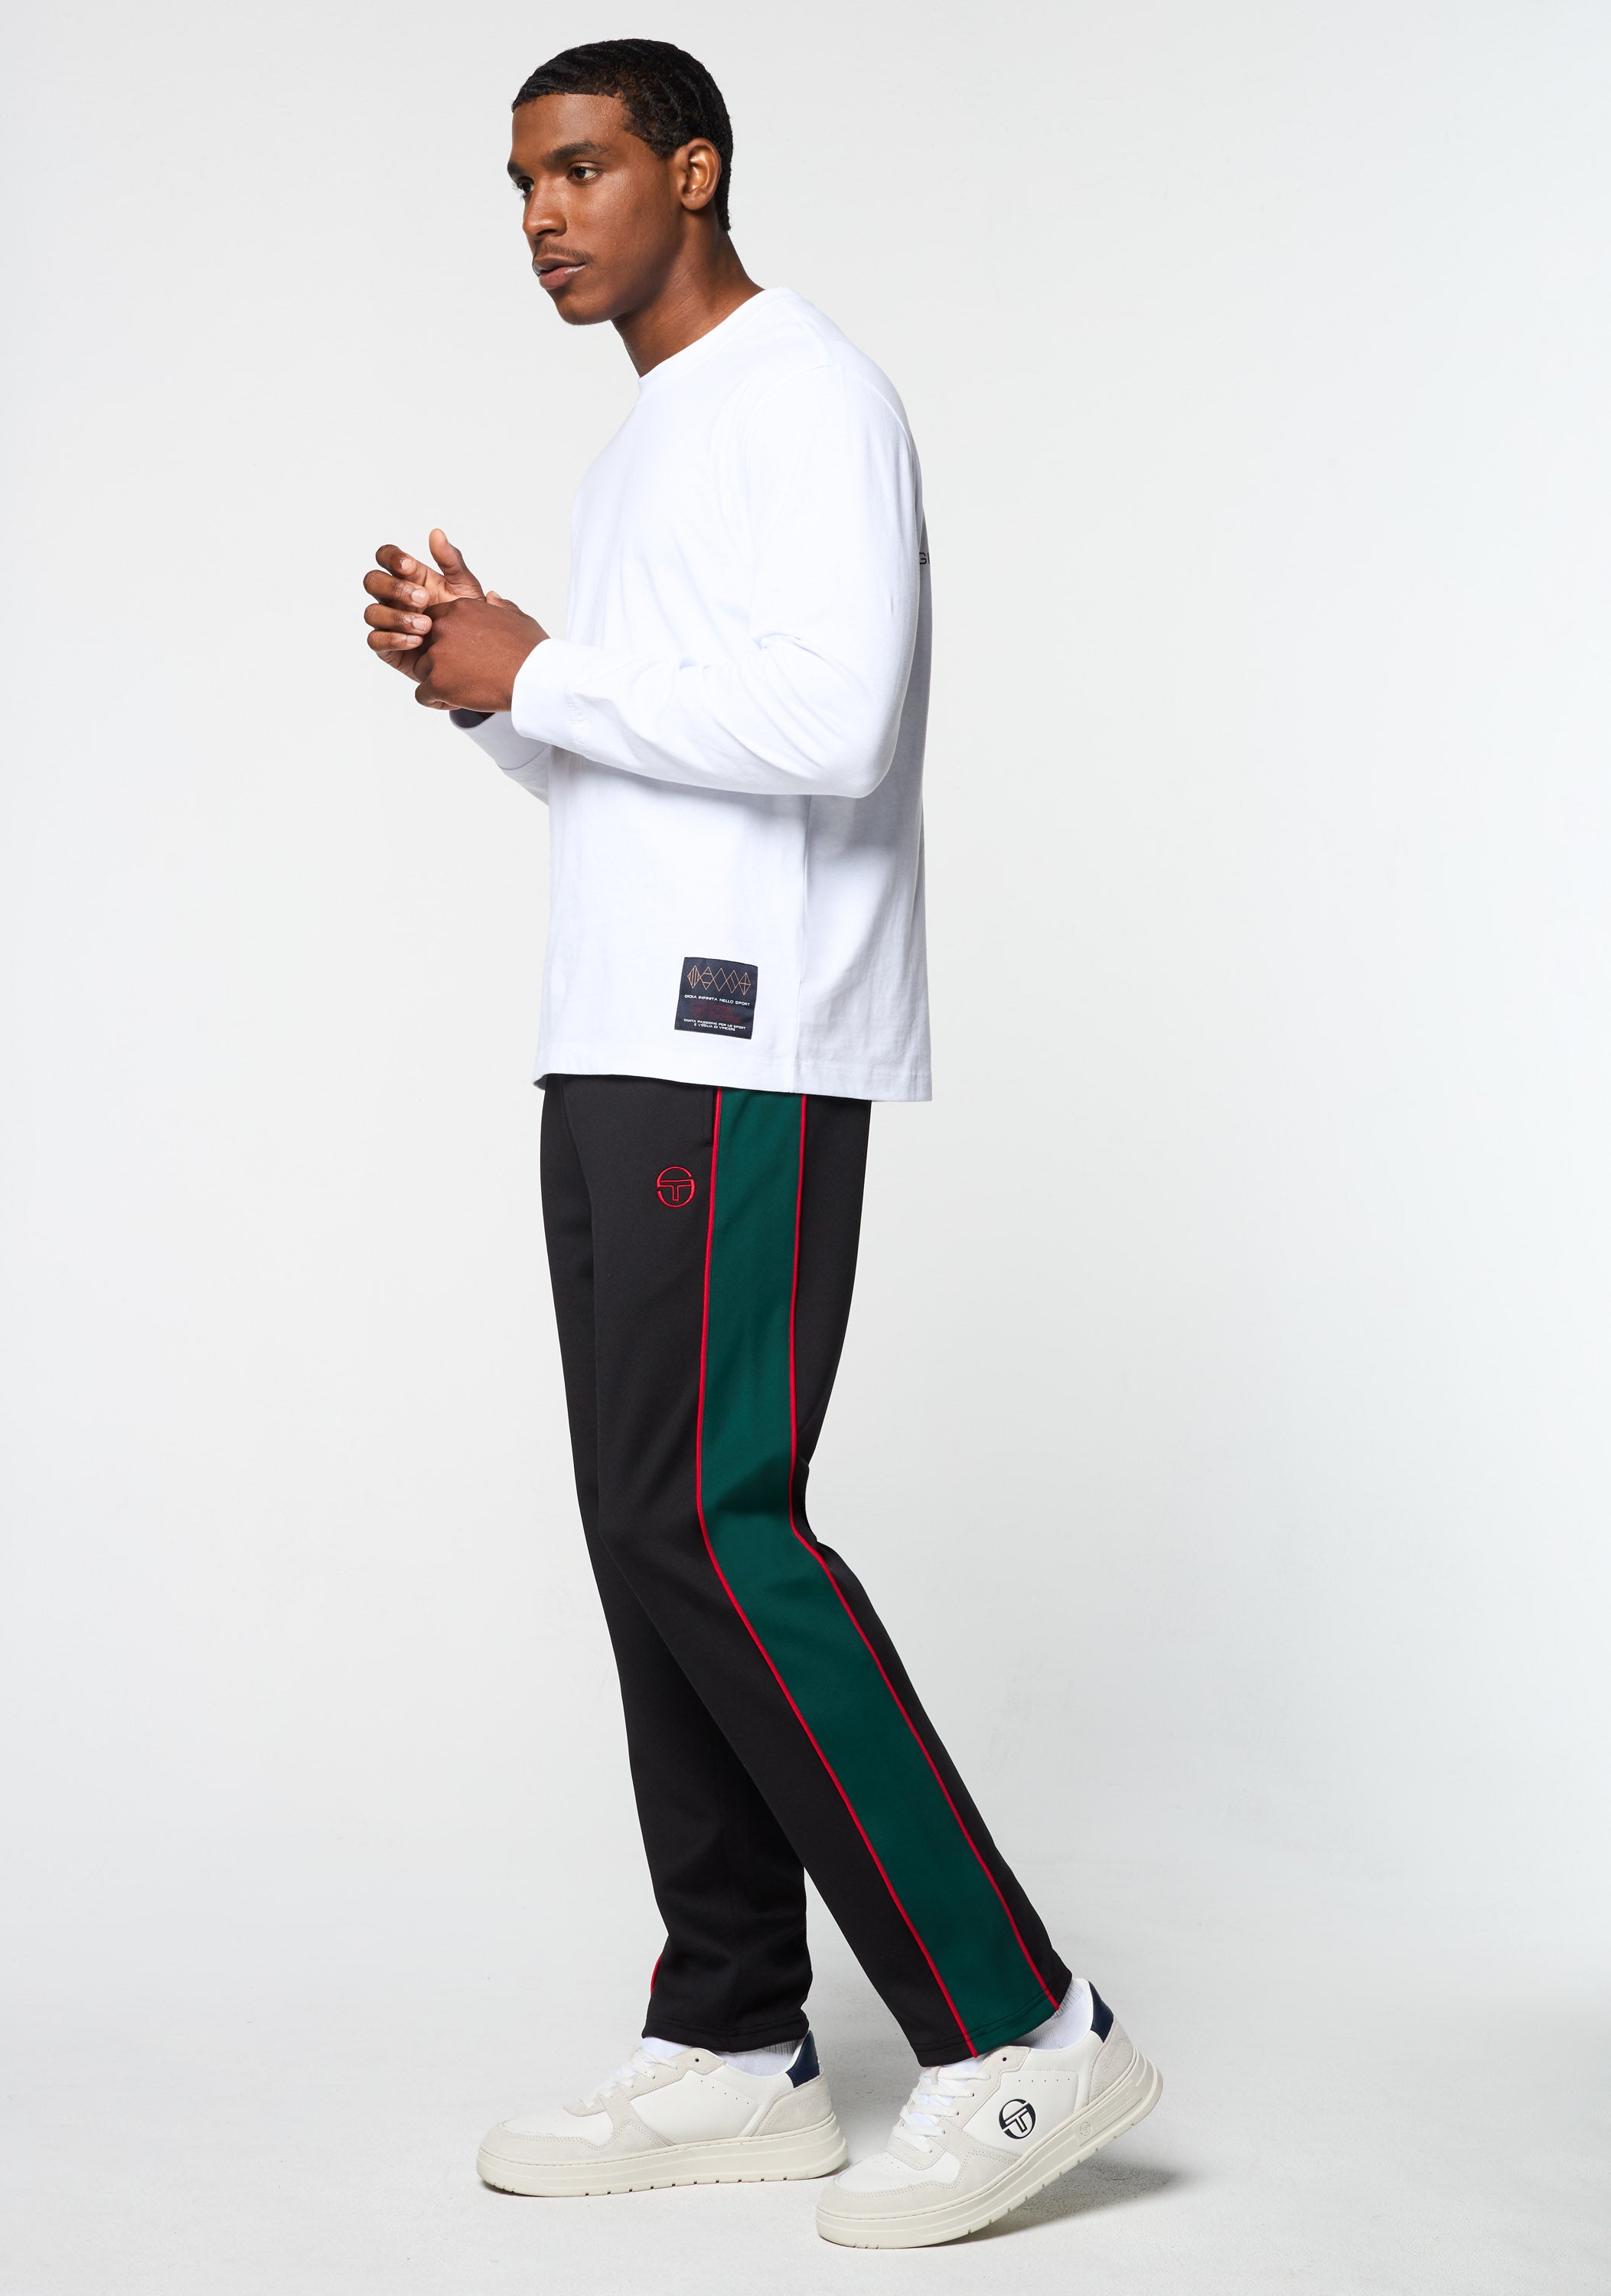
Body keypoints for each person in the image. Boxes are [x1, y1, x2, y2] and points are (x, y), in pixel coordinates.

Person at [359, 38, 1160, 2251]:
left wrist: (545, 667)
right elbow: (647, 755)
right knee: (649, 1533)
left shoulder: (806, 392)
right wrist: (485, 689)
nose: (544, 213)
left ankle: (1024, 2022)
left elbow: (835, 723)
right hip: (614, 1039)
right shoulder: (650, 434)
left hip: (739, 1043)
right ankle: (731, 2036)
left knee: (714, 1519)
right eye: (521, 181)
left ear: (692, 170)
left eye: (583, 166)